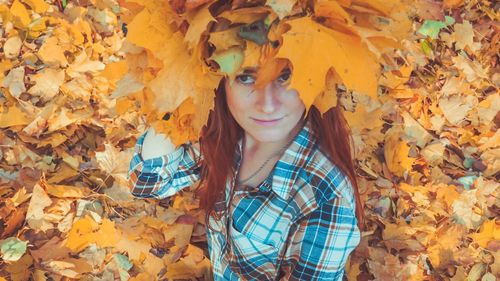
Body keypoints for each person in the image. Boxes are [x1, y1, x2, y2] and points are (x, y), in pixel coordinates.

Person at [127, 61, 364, 280]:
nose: (268, 105)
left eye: (285, 76)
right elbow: (148, 182)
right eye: (245, 77)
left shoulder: (324, 201)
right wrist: (174, 92)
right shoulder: (226, 133)